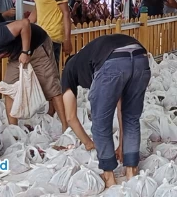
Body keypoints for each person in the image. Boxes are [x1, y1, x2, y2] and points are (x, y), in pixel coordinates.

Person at [61, 34, 151, 187]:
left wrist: (88, 142)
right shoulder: (89, 56)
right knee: (131, 117)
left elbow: (70, 117)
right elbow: (122, 109)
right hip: (140, 56)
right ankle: (131, 170)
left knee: (101, 121)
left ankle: (109, 176)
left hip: (112, 61)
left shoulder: (68, 70)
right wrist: (122, 145)